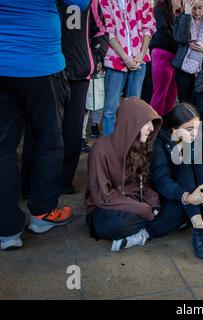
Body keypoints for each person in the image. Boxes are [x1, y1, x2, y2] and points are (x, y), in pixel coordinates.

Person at [0, 0, 90, 250]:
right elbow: (80, 3)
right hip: (41, 64)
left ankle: (7, 230)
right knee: (48, 143)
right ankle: (42, 214)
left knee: (2, 150)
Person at [85, 98, 187, 251]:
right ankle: (154, 226)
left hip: (137, 205)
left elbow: (145, 184)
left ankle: (143, 234)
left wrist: (153, 203)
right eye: (147, 123)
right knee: (115, 224)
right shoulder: (100, 149)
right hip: (108, 208)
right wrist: (143, 210)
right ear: (131, 124)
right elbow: (102, 196)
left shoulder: (140, 146)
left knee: (181, 207)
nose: (151, 128)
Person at [152, 103, 203, 259]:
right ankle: (199, 227)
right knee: (184, 163)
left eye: (197, 128)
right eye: (189, 129)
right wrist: (187, 197)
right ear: (174, 129)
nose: (195, 133)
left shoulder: (197, 136)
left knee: (199, 163)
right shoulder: (159, 141)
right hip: (175, 193)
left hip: (197, 190)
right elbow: (162, 180)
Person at [100, 0, 156, 135]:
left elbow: (148, 27)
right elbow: (109, 32)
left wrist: (141, 55)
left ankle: (130, 145)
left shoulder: (142, 1)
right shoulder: (105, 2)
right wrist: (125, 58)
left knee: (133, 107)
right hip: (115, 60)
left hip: (139, 61)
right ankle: (110, 148)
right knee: (110, 108)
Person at [172, 0, 203, 128]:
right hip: (184, 70)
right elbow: (181, 38)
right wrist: (187, 16)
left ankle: (201, 144)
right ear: (187, 7)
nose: (197, 12)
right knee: (185, 109)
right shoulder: (180, 18)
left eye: (200, 8)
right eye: (193, 8)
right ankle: (184, 142)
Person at [150, 0, 183, 116]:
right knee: (160, 94)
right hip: (162, 54)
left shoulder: (180, 16)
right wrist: (181, 46)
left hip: (176, 58)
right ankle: (154, 127)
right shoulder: (159, 11)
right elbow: (163, 34)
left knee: (171, 96)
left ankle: (165, 128)